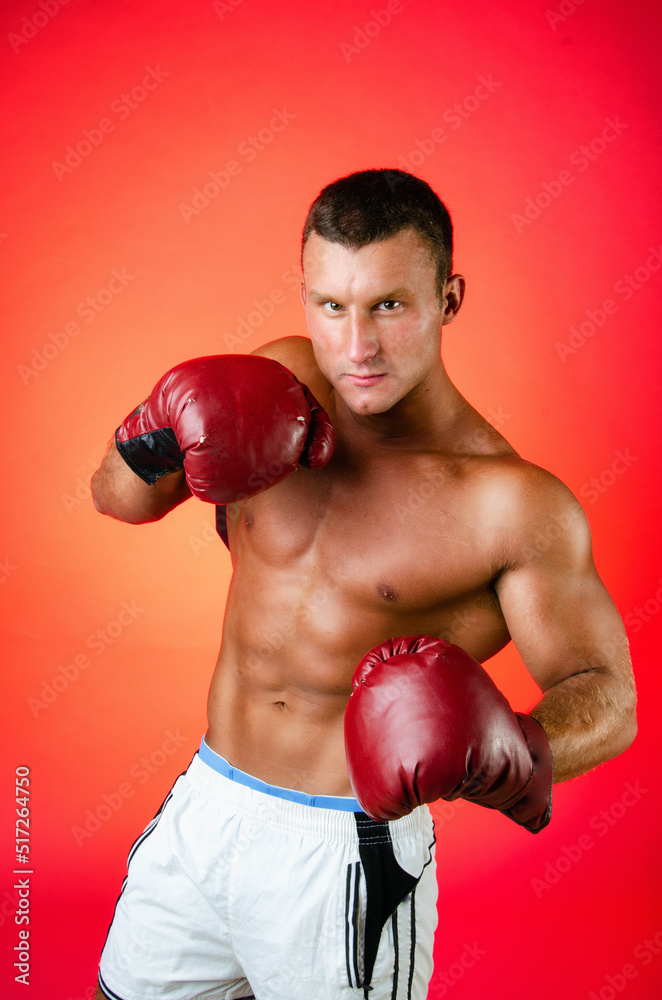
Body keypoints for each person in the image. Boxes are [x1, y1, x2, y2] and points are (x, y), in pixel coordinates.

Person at [90, 168, 637, 1000]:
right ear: (305, 296)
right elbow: (115, 501)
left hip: (345, 850)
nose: (357, 348)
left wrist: (512, 751)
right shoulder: (272, 379)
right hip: (209, 802)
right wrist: (150, 438)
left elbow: (611, 698)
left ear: (449, 298)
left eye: (389, 305)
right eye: (332, 307)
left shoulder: (510, 504)